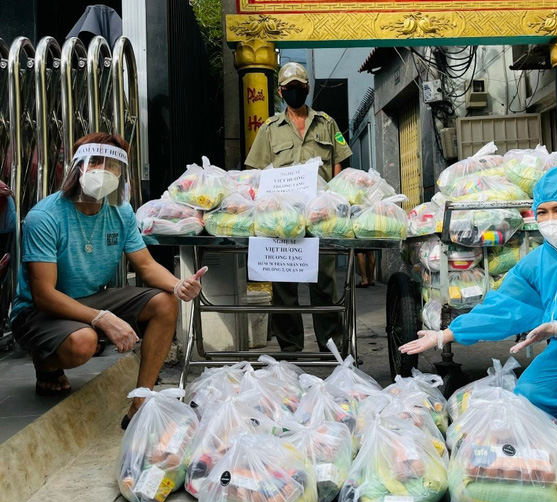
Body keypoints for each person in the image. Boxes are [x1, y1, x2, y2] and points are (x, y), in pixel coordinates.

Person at [400, 167, 557, 481]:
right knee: (530, 395)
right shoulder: (537, 262)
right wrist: (446, 334)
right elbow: (504, 307)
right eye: (543, 211)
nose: (552, 219)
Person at [10, 132, 206, 429]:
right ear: (76, 166)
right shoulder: (46, 217)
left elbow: (145, 264)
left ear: (121, 172)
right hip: (38, 312)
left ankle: (141, 402)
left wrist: (177, 285)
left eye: (113, 165)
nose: (104, 170)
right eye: (95, 161)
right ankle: (46, 362)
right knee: (83, 342)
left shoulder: (121, 211)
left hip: (88, 297)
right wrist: (101, 318)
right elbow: (43, 295)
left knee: (166, 302)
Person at [245, 61, 353, 353]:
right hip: (282, 221)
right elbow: (256, 174)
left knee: (325, 285)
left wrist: (335, 204)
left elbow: (338, 167)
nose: (295, 92)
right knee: (284, 288)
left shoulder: (327, 124)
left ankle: (331, 348)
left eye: (300, 88)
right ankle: (290, 350)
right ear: (281, 92)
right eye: (289, 89)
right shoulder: (270, 129)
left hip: (320, 217)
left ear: (307, 89)